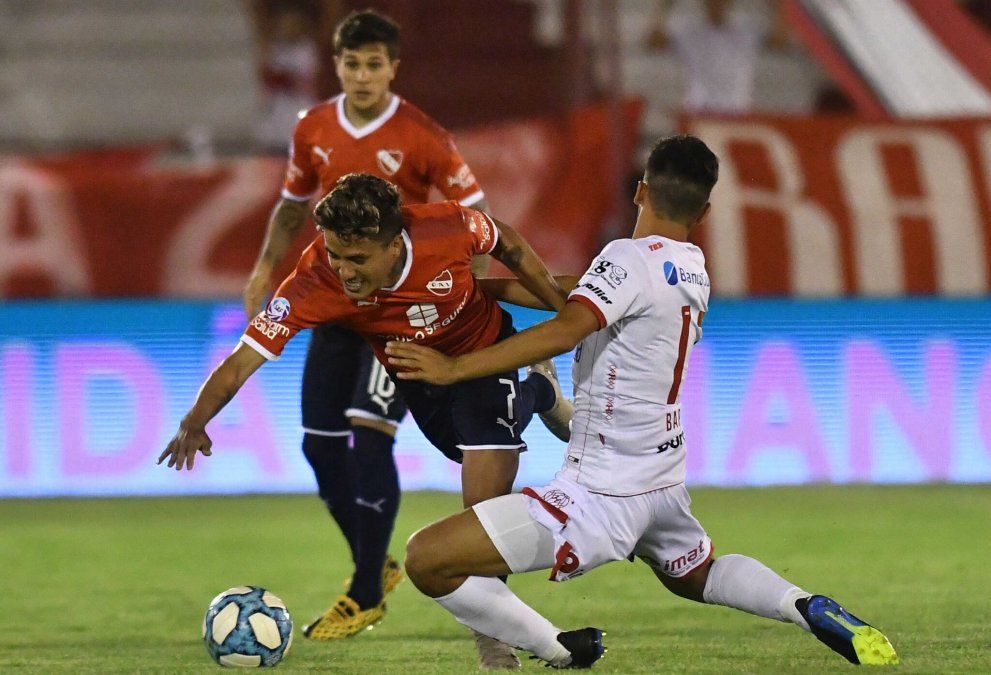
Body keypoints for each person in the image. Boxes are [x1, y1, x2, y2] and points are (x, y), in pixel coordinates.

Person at [385, 135, 899, 668]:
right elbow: (578, 293)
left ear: (640, 192)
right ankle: (804, 605)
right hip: (661, 477)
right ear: (704, 210)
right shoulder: (692, 267)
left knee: (429, 559)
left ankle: (557, 649)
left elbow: (566, 328)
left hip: (602, 493)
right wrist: (471, 294)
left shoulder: (626, 258)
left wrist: (454, 367)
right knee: (696, 574)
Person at [160, 173, 573, 668]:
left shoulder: (448, 226)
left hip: (487, 354)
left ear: (395, 244)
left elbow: (505, 240)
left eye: (357, 259)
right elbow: (244, 357)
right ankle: (540, 392)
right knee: (455, 448)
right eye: (335, 253)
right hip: (418, 377)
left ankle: (492, 640)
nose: (344, 271)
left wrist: (558, 305)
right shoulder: (315, 278)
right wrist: (195, 420)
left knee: (479, 516)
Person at [239, 9, 497, 649]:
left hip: (400, 312)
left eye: (374, 64)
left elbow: (477, 219)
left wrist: (457, 303)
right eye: (352, 64)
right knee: (319, 445)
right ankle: (372, 560)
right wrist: (263, 270)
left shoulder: (422, 135)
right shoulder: (313, 128)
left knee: (369, 432)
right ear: (337, 65)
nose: (362, 75)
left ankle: (362, 592)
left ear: (393, 68)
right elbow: (292, 205)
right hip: (336, 301)